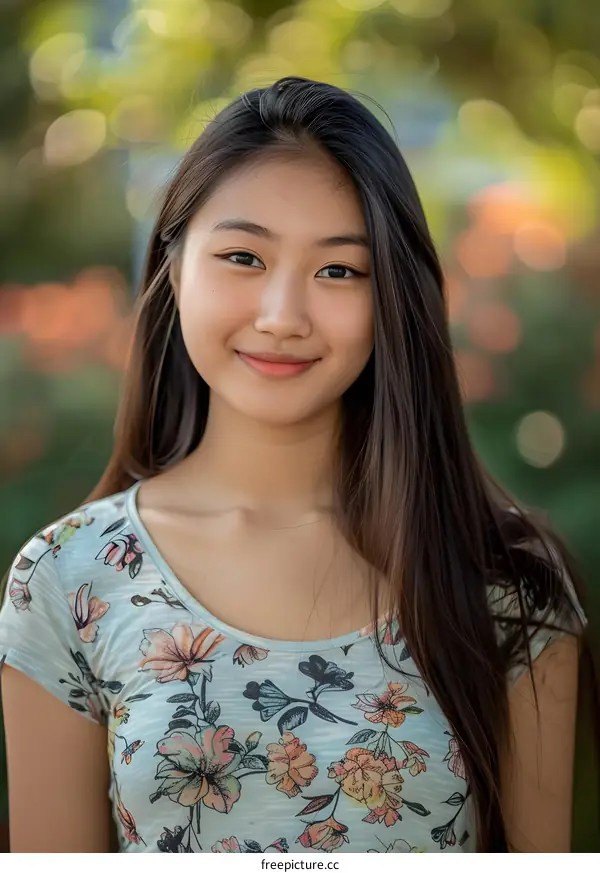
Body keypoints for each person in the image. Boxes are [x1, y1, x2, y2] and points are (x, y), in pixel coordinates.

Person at [0, 77, 594, 854]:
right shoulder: (68, 580)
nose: (283, 315)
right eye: (243, 256)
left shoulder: (508, 584)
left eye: (339, 270)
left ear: (394, 299)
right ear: (175, 271)